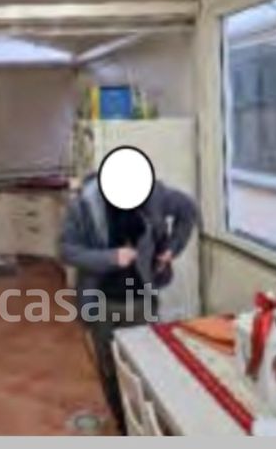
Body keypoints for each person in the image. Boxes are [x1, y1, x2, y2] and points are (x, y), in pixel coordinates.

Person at [59, 174, 198, 434]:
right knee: (111, 369)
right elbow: (67, 250)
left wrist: (172, 249)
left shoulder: (154, 192)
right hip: (100, 302)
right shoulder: (83, 205)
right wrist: (112, 257)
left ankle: (151, 427)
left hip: (141, 300)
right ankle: (124, 426)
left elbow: (188, 209)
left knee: (148, 367)